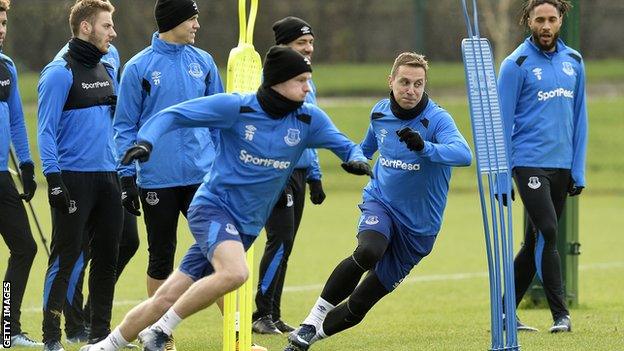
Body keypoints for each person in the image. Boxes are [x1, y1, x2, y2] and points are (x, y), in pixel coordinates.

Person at [79, 46, 372, 351]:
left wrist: (355, 159)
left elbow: (344, 144)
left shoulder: (308, 119)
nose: (307, 87)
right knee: (235, 273)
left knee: (166, 295)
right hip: (212, 209)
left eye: (308, 79)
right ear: (277, 81)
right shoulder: (237, 108)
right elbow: (174, 115)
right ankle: (161, 330)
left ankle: (105, 346)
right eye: (300, 80)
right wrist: (146, 143)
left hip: (245, 227)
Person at [283, 52, 472, 351]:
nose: (411, 90)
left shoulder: (437, 119)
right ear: (391, 81)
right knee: (369, 250)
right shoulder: (379, 113)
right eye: (405, 82)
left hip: (419, 229)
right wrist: (355, 159)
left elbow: (464, 154)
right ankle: (310, 319)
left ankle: (308, 339)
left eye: (418, 84)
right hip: (381, 203)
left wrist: (426, 147)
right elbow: (365, 148)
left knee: (360, 303)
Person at [113, 4, 223, 348]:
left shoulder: (203, 62)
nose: (197, 24)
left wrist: (224, 167)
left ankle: (236, 335)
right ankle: (161, 335)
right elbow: (124, 127)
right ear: (173, 21)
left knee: (222, 251)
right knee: (161, 254)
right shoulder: (138, 67)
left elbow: (219, 117)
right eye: (191, 18)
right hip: (157, 179)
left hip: (202, 177)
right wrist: (126, 176)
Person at [497, 0, 586, 333]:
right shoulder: (515, 64)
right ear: (528, 21)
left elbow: (581, 120)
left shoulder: (574, 61)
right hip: (527, 163)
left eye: (552, 19)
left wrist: (578, 170)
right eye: (539, 20)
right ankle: (560, 314)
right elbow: (502, 124)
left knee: (534, 241)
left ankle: (504, 312)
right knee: (549, 232)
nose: (546, 26)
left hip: (561, 166)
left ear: (561, 20)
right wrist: (501, 177)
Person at [37, 1, 122, 350]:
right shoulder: (59, 72)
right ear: (86, 28)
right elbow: (45, 130)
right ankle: (51, 337)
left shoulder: (108, 65)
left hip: (108, 177)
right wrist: (53, 178)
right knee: (65, 256)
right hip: (72, 179)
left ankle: (100, 336)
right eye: (106, 26)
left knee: (107, 259)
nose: (113, 32)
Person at [54, 38, 140, 345]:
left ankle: (93, 315)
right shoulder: (66, 59)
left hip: (111, 165)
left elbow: (117, 108)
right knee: (79, 251)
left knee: (128, 240)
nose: (113, 32)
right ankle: (75, 325)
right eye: (107, 24)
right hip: (80, 170)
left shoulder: (112, 52)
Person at [252, 16, 324, 335]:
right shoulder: (269, 84)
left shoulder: (308, 81)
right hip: (277, 173)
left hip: (300, 170)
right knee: (278, 240)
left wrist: (316, 175)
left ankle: (274, 315)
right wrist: (274, 175)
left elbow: (312, 130)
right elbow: (264, 134)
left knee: (288, 244)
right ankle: (260, 314)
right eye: (301, 43)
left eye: (310, 42)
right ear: (283, 47)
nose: (308, 48)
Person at [0, 0, 43, 348]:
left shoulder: (6, 67)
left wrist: (27, 167)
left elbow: (16, 121)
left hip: (2, 176)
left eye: (3, 23)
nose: (1, 30)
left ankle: (7, 331)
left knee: (25, 247)